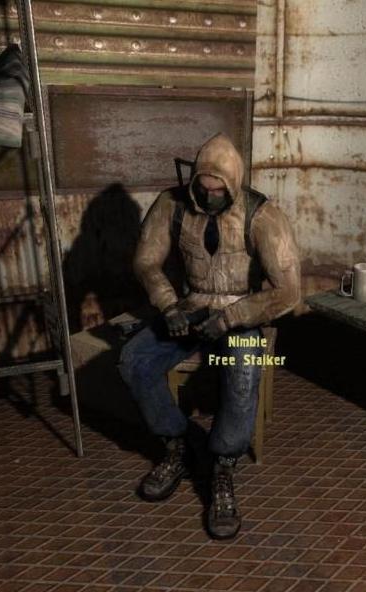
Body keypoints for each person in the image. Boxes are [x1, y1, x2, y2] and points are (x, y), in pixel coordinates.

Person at [119, 133, 301, 539]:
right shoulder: (172, 204)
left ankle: (223, 463)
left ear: (234, 184)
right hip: (190, 305)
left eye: (219, 190)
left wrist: (232, 317)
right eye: (203, 188)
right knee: (134, 360)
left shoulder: (263, 215)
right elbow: (146, 261)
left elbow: (288, 291)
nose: (209, 196)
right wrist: (168, 305)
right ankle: (179, 443)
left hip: (244, 311)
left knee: (244, 371)